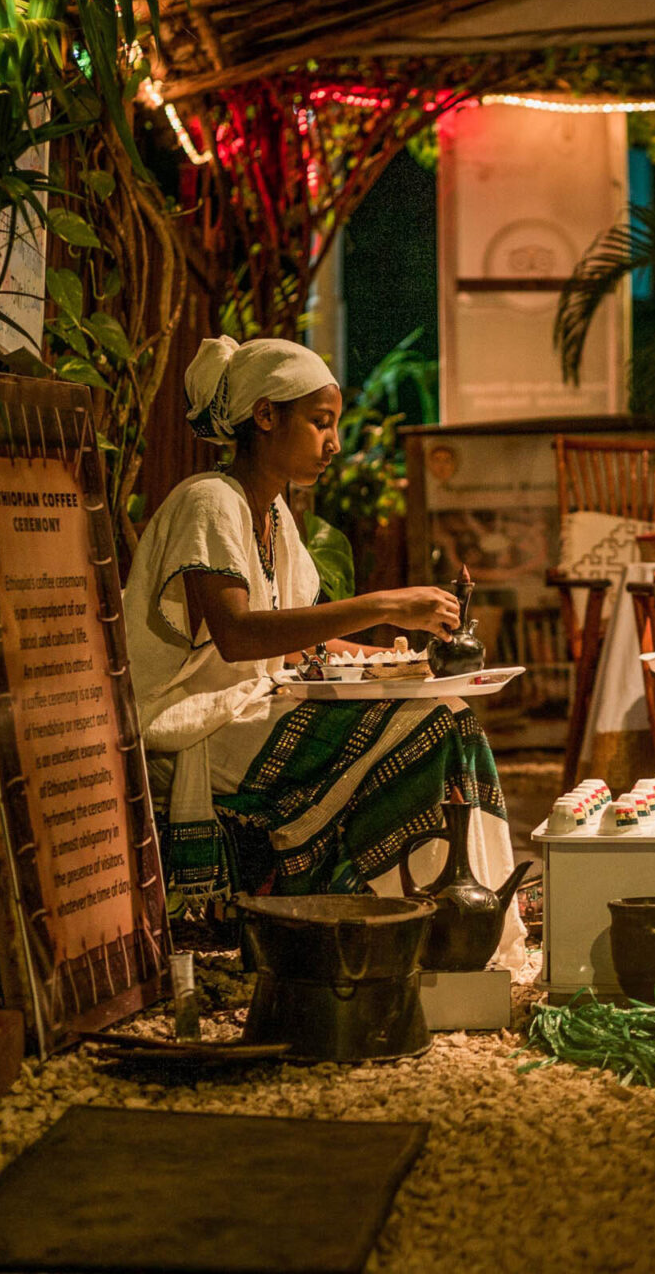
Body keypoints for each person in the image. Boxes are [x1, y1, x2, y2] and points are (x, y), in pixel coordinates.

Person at [123, 335, 524, 964]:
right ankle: (395, 924)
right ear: (265, 415)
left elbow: (295, 643)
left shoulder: (275, 514)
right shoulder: (209, 500)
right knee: (423, 733)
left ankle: (449, 926)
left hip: (252, 705)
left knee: (449, 716)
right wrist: (383, 605)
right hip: (195, 722)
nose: (334, 443)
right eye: (320, 423)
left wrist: (397, 663)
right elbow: (240, 635)